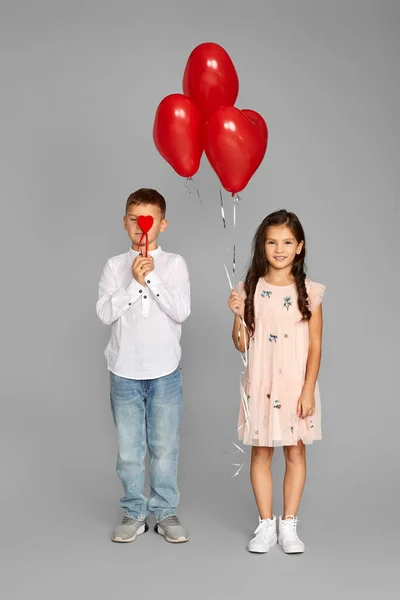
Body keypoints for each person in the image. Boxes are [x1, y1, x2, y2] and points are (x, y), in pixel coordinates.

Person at [228, 209, 326, 554]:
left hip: (295, 387)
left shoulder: (310, 292)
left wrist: (308, 389)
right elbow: (241, 343)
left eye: (287, 242)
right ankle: (265, 524)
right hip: (262, 385)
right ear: (262, 246)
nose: (279, 249)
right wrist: (238, 315)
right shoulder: (251, 288)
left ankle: (289, 525)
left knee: (295, 452)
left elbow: (315, 344)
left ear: (299, 247)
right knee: (261, 452)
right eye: (272, 242)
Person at [96, 188, 190, 544]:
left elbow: (181, 311)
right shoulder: (113, 265)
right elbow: (105, 313)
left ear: (162, 224)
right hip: (124, 371)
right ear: (125, 223)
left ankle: (165, 510)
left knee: (165, 447)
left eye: (148, 219)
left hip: (165, 371)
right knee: (129, 449)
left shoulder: (175, 264)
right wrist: (134, 284)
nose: (141, 226)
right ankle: (134, 512)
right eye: (134, 219)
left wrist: (151, 278)